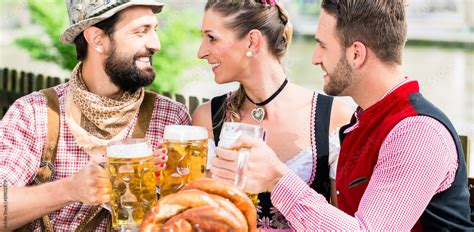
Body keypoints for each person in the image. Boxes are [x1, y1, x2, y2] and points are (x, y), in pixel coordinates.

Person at [211, 0, 474, 231]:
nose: (315, 58)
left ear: (356, 54)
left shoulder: (417, 133)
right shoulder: (364, 120)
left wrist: (277, 178)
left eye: (323, 46)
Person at [0, 0, 188, 230]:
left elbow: (188, 215)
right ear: (97, 40)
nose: (155, 44)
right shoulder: (33, 113)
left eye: (154, 30)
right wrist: (69, 189)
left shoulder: (170, 118)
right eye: (141, 32)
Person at [192, 0, 352, 229]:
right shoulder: (207, 117)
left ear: (252, 41)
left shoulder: (333, 117)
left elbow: (344, 223)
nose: (201, 52)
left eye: (212, 38)